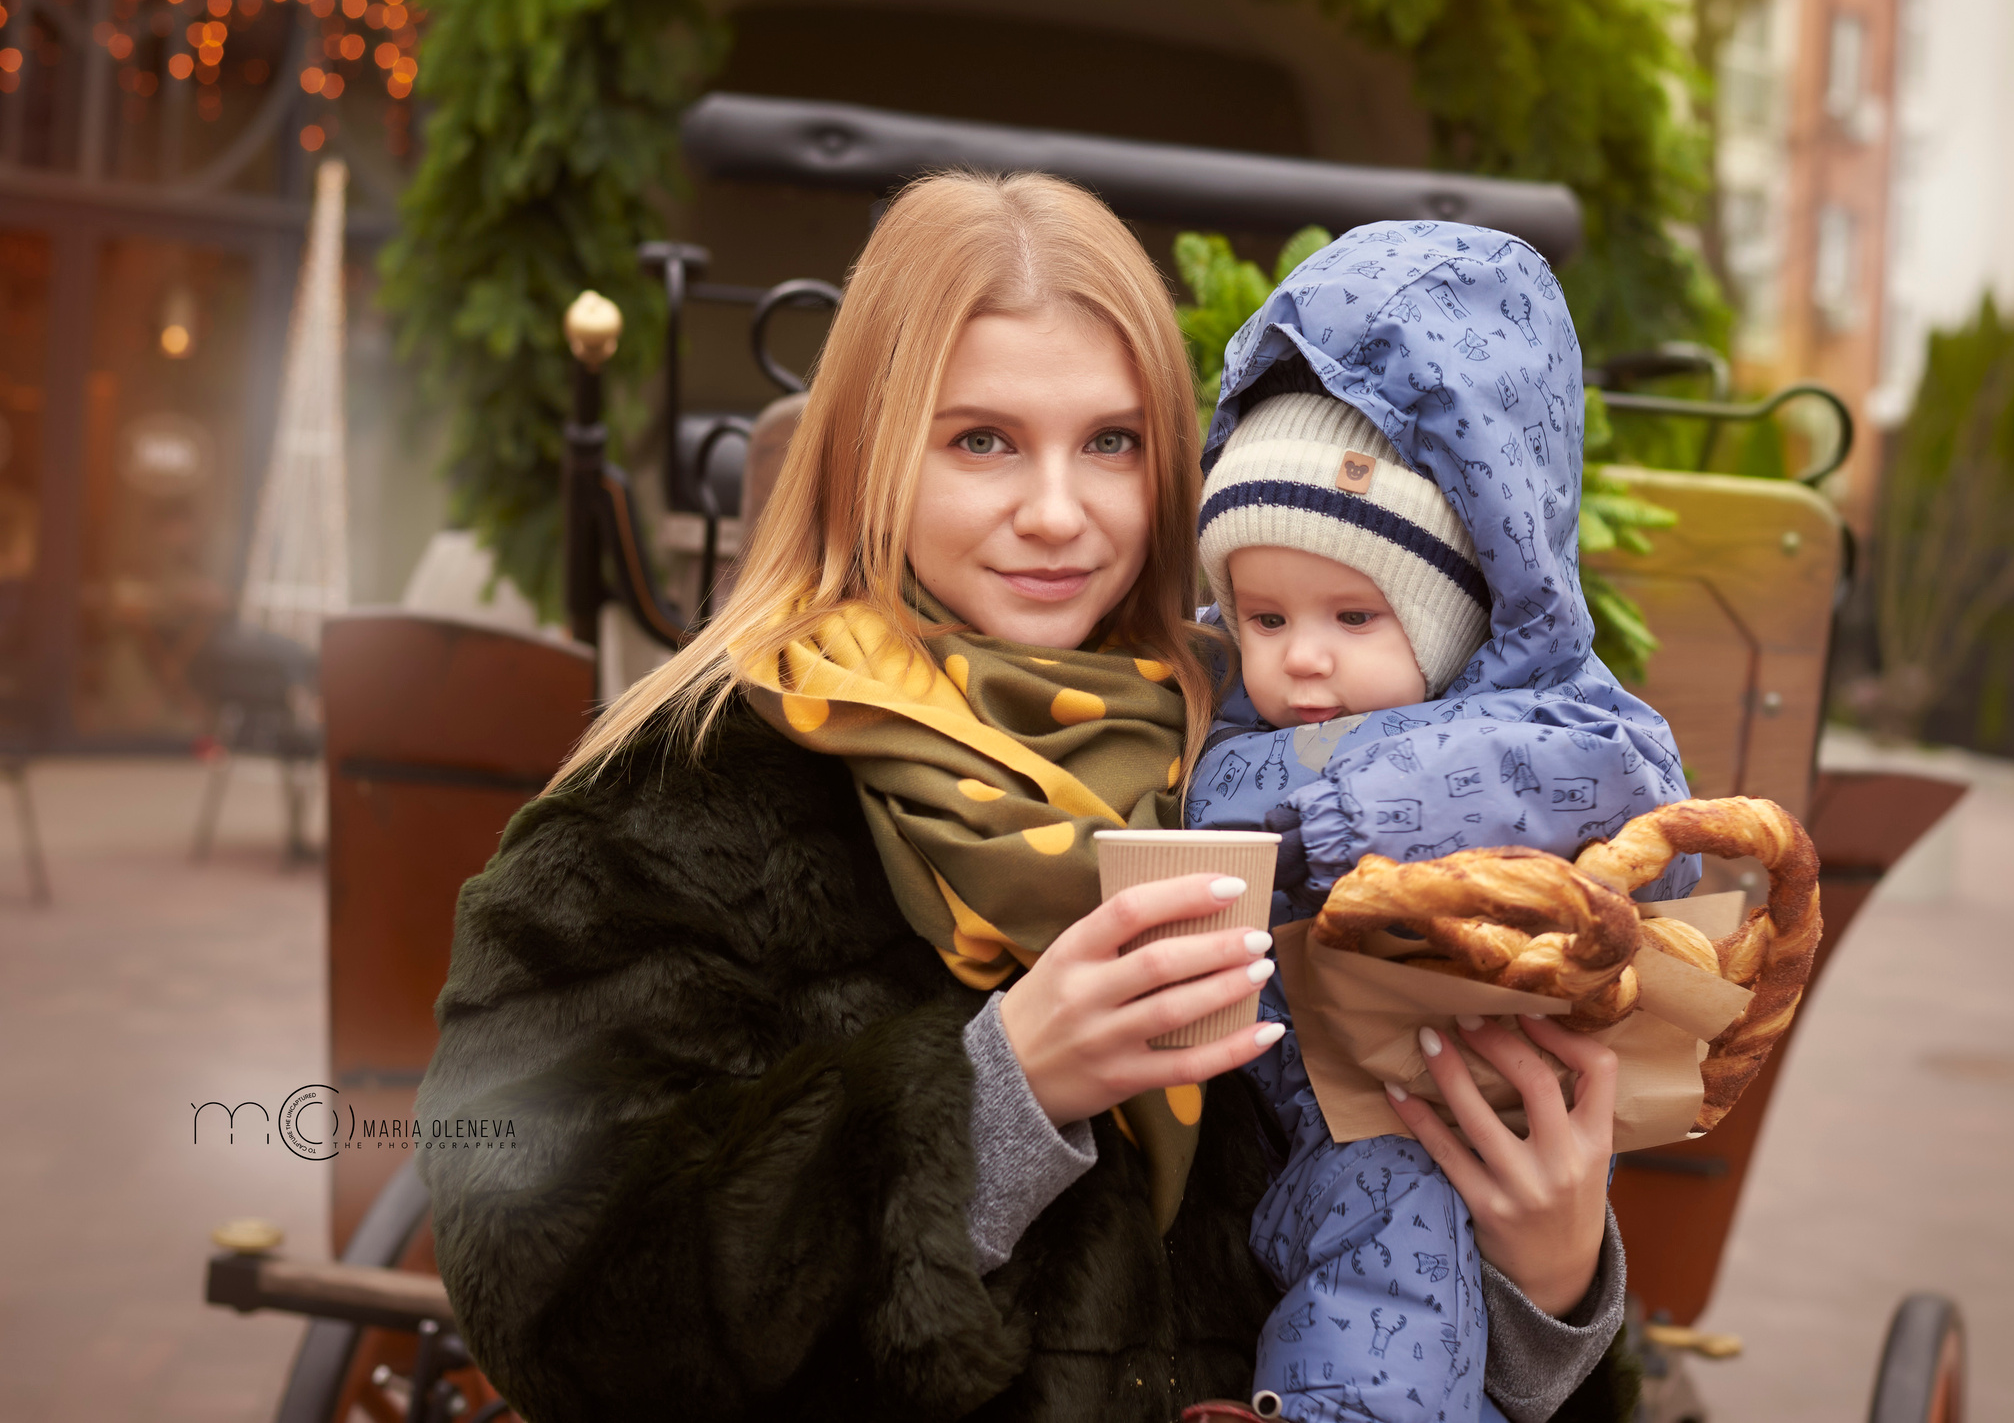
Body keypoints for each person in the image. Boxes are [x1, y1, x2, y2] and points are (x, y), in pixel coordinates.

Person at [413, 175, 1633, 1423]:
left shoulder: (1299, 760)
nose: (1056, 513)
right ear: (870, 453)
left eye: (1111, 442)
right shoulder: (684, 800)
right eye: (980, 439)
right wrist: (997, 1092)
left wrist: (1547, 1283)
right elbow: (548, 1284)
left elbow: (1397, 1274)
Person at [1184, 224, 1701, 1423]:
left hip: (1457, 1094)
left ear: (1463, 612)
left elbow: (1633, 791)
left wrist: (1340, 803)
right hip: (1298, 1108)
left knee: (1397, 1221)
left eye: (1354, 617)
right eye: (1261, 616)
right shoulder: (1222, 729)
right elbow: (1212, 795)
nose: (1300, 659)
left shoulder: (1570, 720)